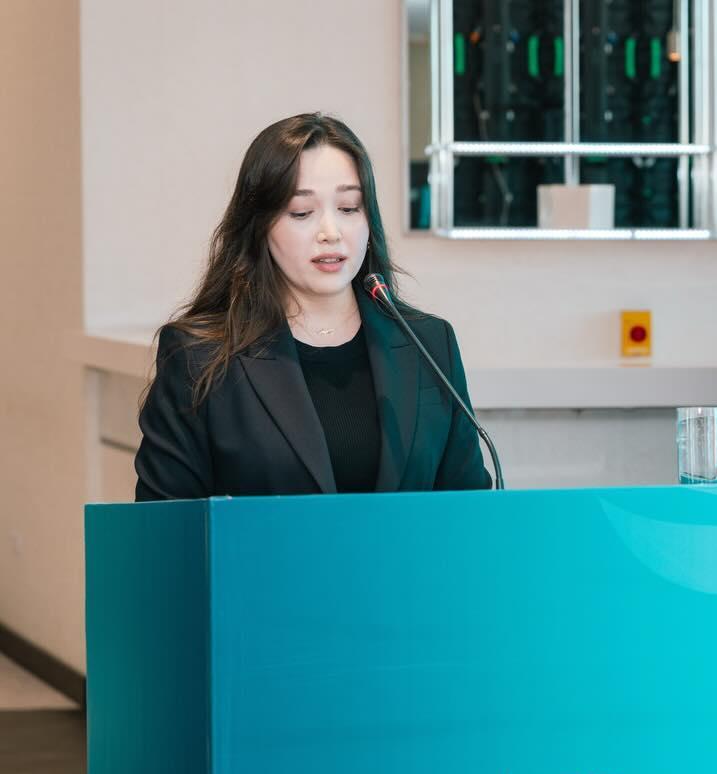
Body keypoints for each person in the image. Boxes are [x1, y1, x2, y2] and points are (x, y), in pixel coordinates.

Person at [134, 113, 493, 500]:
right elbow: (165, 525)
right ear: (259, 226)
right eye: (302, 213)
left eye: (349, 208)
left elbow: (470, 513)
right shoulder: (199, 357)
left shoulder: (429, 345)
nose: (331, 233)